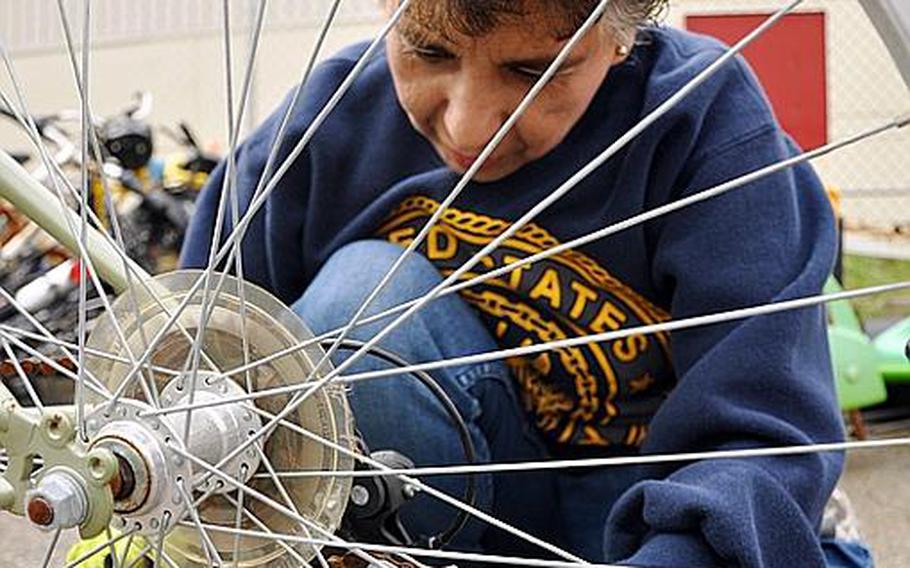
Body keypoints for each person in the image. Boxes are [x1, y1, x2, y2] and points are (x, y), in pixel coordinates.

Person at [181, 1, 873, 566]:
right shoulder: (322, 129)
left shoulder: (703, 126)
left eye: (533, 72)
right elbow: (183, 370)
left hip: (641, 520)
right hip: (428, 518)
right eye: (428, 52)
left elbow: (762, 432)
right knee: (362, 294)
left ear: (620, 39)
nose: (468, 123)